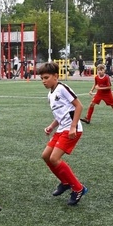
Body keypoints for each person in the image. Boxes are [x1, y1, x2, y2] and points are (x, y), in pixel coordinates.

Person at [37, 62, 88, 206]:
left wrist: (73, 127)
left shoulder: (62, 88)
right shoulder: (50, 95)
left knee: (54, 158)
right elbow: (61, 115)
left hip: (72, 129)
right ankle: (65, 182)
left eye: (46, 77)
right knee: (46, 156)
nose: (44, 81)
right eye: (42, 78)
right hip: (61, 129)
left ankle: (78, 188)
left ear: (55, 76)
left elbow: (79, 106)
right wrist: (51, 127)